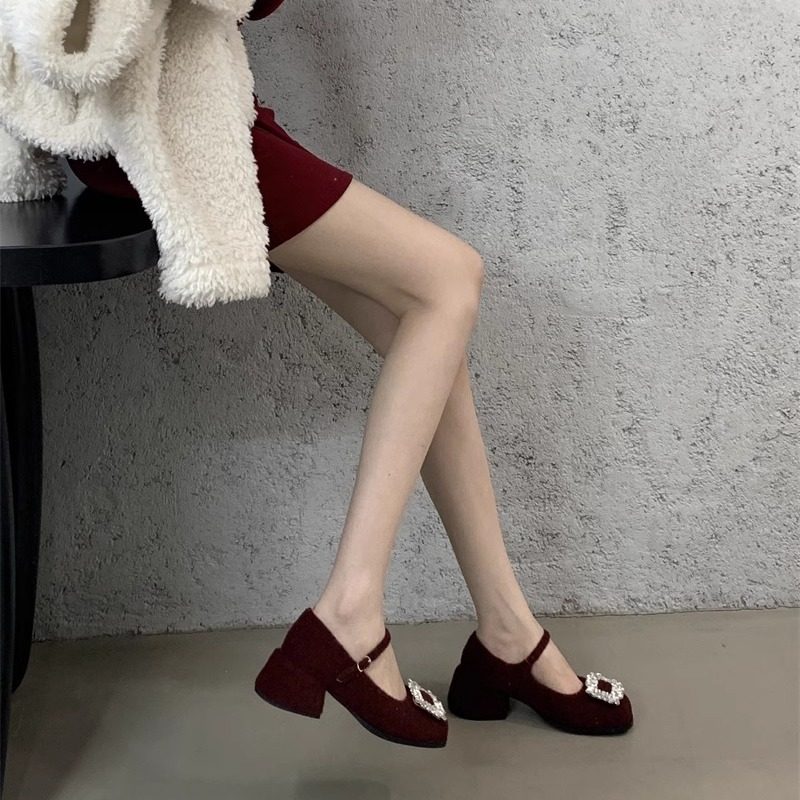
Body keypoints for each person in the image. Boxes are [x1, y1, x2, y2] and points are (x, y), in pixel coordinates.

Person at [67, 0, 633, 749]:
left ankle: (506, 632)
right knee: (448, 279)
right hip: (160, 118)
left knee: (425, 330)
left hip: (184, 104)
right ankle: (350, 610)